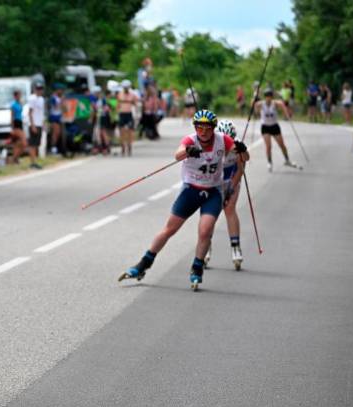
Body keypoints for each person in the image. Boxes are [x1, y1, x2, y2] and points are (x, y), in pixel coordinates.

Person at [119, 109, 249, 290]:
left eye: (207, 128)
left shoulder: (222, 140)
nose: (203, 132)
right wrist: (189, 151)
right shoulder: (191, 140)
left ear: (213, 128)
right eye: (199, 128)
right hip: (191, 191)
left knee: (205, 231)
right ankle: (143, 264)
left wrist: (243, 150)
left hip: (213, 192)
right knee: (169, 229)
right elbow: (178, 154)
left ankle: (197, 268)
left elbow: (243, 157)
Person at [203, 120, 246, 270]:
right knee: (210, 213)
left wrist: (231, 188)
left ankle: (236, 247)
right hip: (214, 181)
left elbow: (241, 169)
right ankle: (206, 247)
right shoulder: (212, 144)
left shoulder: (237, 145)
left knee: (229, 208)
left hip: (231, 179)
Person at [255, 89, 300, 172]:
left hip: (274, 126)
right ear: (265, 97)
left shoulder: (275, 103)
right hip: (265, 127)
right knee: (268, 146)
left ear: (272, 97)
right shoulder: (261, 104)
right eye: (267, 97)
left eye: (270, 97)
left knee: (282, 145)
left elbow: (282, 104)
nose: (268, 98)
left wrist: (286, 113)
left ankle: (287, 160)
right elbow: (255, 105)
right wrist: (255, 98)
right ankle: (269, 162)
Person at [117, 80, 138, 156]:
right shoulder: (119, 94)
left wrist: (136, 115)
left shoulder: (133, 95)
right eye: (124, 87)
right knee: (122, 131)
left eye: (127, 87)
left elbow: (136, 105)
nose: (126, 89)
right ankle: (123, 147)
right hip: (122, 114)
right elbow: (118, 105)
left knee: (129, 131)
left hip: (129, 114)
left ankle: (129, 147)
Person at [26, 83, 45, 169]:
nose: (40, 91)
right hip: (34, 123)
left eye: (41, 89)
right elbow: (30, 113)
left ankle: (35, 160)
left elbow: (41, 112)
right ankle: (32, 162)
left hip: (39, 123)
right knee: (32, 144)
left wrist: (43, 123)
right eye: (38, 89)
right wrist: (32, 125)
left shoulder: (41, 99)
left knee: (37, 143)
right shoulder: (32, 98)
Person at [9, 89, 28, 164]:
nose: (19, 96)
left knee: (17, 143)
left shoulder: (20, 103)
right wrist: (12, 127)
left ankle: (15, 159)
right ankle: (14, 158)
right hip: (16, 123)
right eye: (18, 95)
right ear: (15, 96)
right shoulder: (13, 105)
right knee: (24, 143)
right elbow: (12, 116)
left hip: (20, 123)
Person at [48, 84, 64, 155]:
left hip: (59, 117)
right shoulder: (53, 98)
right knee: (55, 133)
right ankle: (52, 148)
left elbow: (63, 108)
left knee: (58, 133)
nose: (61, 91)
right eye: (60, 90)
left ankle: (56, 147)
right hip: (53, 117)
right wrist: (62, 102)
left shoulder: (59, 98)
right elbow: (56, 107)